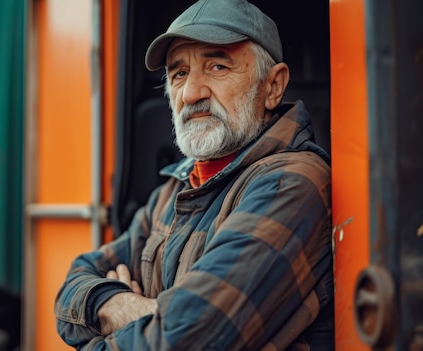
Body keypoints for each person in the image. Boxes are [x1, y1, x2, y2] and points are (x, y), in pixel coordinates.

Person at [55, 0, 334, 349]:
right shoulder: (177, 187)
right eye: (179, 74)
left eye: (217, 66)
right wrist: (116, 304)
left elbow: (182, 341)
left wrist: (109, 329)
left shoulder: (292, 185)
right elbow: (71, 288)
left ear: (273, 86)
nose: (190, 93)